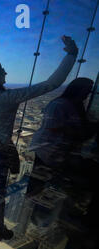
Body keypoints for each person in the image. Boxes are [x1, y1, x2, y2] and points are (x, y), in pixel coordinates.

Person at [0, 36, 78, 241]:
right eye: (2, 70)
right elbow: (51, 84)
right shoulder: (9, 97)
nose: (6, 73)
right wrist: (71, 54)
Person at [28, 77, 99, 225]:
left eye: (90, 91)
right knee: (44, 183)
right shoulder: (62, 105)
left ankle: (41, 215)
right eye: (86, 91)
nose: (88, 95)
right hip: (49, 151)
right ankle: (40, 216)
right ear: (77, 90)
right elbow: (56, 129)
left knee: (45, 183)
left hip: (51, 151)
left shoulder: (70, 105)